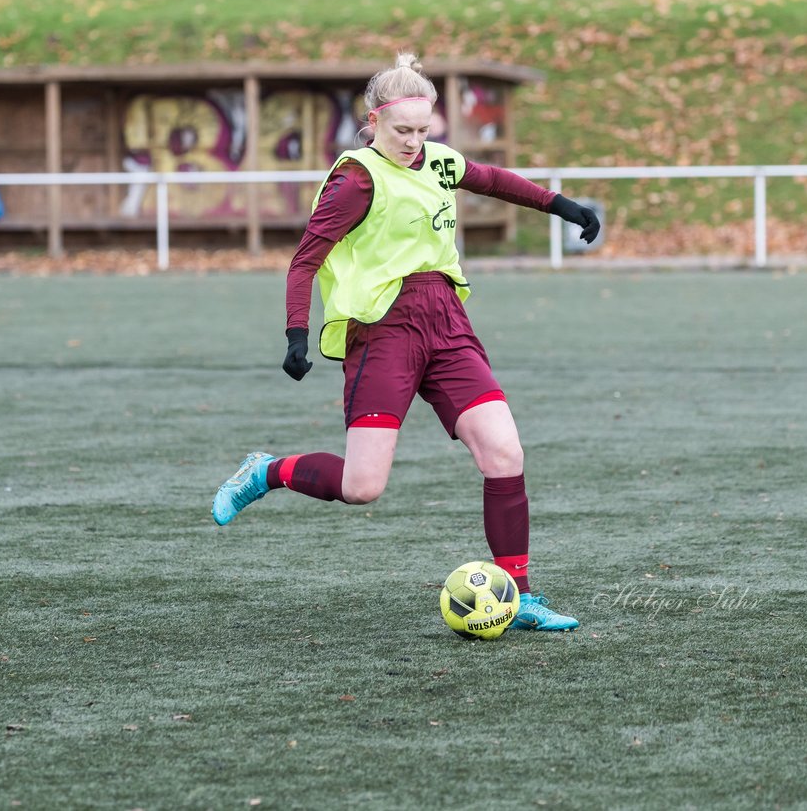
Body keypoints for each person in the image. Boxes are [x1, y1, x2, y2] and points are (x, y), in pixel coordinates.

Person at [211, 53, 600, 632]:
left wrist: (562, 206)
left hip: (446, 323)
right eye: (402, 131)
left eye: (424, 130)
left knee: (504, 453)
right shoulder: (355, 179)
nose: (415, 142)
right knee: (362, 487)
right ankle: (266, 471)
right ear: (372, 121)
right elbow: (304, 261)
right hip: (383, 332)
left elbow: (493, 180)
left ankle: (519, 597)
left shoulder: (439, 163)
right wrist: (296, 332)